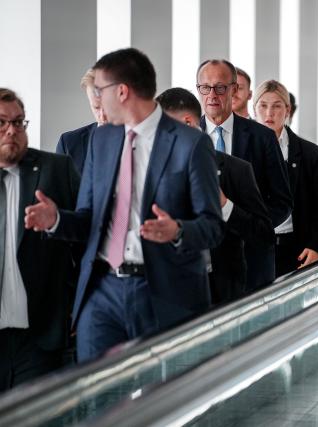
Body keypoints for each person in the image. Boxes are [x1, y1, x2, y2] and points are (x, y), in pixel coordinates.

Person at [25, 48, 224, 362]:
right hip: (102, 293)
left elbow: (212, 227)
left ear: (122, 91)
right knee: (97, 398)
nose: (97, 101)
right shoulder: (101, 141)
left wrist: (177, 230)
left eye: (100, 92)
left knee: (165, 400)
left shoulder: (190, 142)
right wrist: (56, 221)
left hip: (164, 293)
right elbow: (89, 219)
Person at [156, 87, 273, 305]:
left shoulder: (235, 169)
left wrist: (226, 205)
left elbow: (263, 234)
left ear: (188, 123)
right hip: (171, 288)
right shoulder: (154, 169)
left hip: (223, 289)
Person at [0, 88, 80, 391]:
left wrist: (76, 305)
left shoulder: (56, 170)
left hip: (40, 336)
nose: (12, 130)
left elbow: (87, 234)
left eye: (19, 123)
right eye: (2, 122)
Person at [197, 59, 292, 291]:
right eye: (205, 88)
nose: (212, 95)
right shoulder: (185, 135)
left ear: (234, 89)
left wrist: (246, 225)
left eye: (220, 87)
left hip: (251, 261)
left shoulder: (263, 137)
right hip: (201, 265)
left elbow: (282, 203)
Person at [254, 80, 318, 276]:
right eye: (263, 106)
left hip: (297, 250)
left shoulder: (310, 153)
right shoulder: (241, 149)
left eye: (277, 106)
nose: (269, 113)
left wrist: (317, 246)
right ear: (254, 109)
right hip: (254, 248)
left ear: (288, 110)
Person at [55, 68, 107, 175]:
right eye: (96, 107)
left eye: (108, 106)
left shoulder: (135, 138)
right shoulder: (68, 143)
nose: (102, 115)